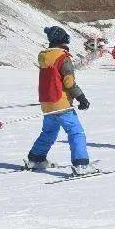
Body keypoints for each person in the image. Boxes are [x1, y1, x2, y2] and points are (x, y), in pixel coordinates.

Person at [26, 26, 93, 174]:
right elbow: (68, 82)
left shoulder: (44, 57)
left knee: (49, 132)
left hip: (47, 102)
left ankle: (36, 159)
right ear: (63, 40)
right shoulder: (63, 57)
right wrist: (81, 98)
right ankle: (81, 164)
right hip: (61, 104)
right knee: (76, 132)